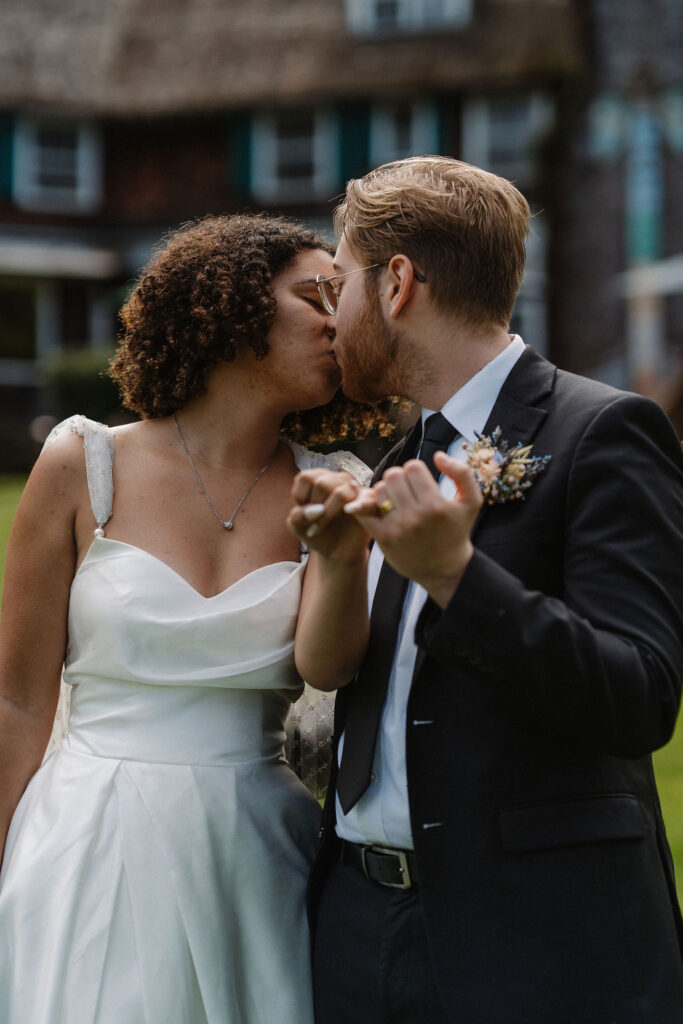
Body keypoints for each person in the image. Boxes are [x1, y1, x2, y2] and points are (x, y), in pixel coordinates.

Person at [290, 157, 683, 1023]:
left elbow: (638, 697)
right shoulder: (399, 457)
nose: (333, 317)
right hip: (354, 928)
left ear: (396, 284)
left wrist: (453, 574)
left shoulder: (602, 432)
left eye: (339, 285)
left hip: (533, 945)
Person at [0, 213, 377, 1024]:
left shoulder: (335, 483)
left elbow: (327, 670)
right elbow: (19, 704)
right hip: (87, 842)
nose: (334, 319)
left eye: (343, 302)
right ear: (230, 308)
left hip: (257, 851)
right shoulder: (82, 463)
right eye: (314, 294)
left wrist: (341, 554)